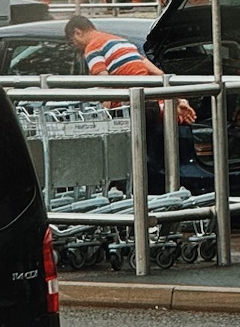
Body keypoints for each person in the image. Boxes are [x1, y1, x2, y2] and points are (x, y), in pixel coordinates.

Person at [63, 13, 211, 194]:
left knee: (120, 159)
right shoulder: (122, 42)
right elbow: (156, 73)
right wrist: (177, 98)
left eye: (72, 42)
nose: (75, 47)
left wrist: (105, 112)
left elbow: (105, 82)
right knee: (144, 156)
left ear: (77, 32)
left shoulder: (93, 47)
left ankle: (127, 199)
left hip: (131, 108)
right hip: (150, 103)